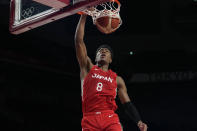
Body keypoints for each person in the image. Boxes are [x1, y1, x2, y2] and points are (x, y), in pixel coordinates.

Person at [74, 14, 148, 131]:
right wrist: (83, 16)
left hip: (109, 117)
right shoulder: (87, 67)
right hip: (90, 118)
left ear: (110, 59)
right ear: (95, 58)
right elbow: (78, 42)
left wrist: (138, 121)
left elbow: (127, 104)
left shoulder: (117, 79)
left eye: (106, 51)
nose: (103, 51)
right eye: (100, 51)